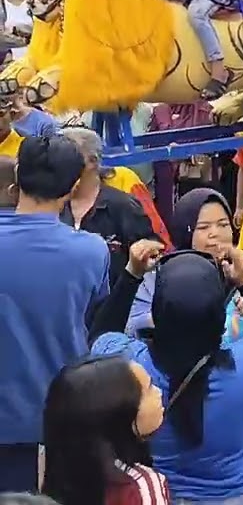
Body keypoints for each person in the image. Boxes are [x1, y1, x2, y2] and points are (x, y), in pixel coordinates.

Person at [91, 244, 243, 504]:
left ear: (156, 315)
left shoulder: (136, 366)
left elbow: (100, 336)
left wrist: (132, 274)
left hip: (163, 495)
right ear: (220, 317)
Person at [0, 135, 111, 493]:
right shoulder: (91, 251)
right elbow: (94, 316)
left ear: (18, 174)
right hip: (59, 417)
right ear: (74, 185)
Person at [125, 188, 243, 339]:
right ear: (185, 232)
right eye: (203, 227)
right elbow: (131, 329)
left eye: (223, 224)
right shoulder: (159, 274)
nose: (215, 233)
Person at [42, 356, 170, 505]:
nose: (159, 392)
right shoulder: (141, 486)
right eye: (149, 389)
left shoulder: (58, 475)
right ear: (118, 416)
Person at [58, 127, 160, 284]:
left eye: (69, 156)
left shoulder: (122, 206)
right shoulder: (53, 206)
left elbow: (153, 253)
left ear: (93, 161)